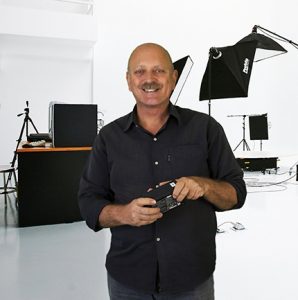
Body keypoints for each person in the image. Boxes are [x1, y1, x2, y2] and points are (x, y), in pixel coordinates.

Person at [78, 42, 247, 300]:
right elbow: (88, 202)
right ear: (128, 80)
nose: (149, 80)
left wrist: (204, 185)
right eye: (139, 72)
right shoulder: (108, 138)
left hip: (192, 280)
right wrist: (124, 214)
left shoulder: (206, 129)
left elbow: (236, 193)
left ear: (174, 77)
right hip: (128, 280)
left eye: (159, 71)